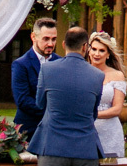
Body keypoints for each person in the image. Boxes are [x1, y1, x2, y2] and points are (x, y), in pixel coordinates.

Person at [27, 26, 105, 166]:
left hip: (52, 145)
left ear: (63, 45)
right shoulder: (98, 75)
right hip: (85, 148)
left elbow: (39, 104)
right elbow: (93, 112)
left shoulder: (47, 69)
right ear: (85, 47)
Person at [12, 17, 60, 138]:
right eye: (46, 39)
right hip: (29, 130)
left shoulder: (61, 62)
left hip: (57, 129)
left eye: (54, 39)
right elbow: (23, 100)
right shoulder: (21, 64)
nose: (50, 44)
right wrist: (53, 111)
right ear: (33, 37)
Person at [86, 32, 127, 158]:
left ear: (108, 54)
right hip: (85, 130)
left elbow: (117, 109)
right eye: (93, 49)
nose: (96, 54)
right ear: (88, 50)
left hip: (110, 131)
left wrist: (93, 115)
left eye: (101, 50)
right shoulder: (82, 72)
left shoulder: (117, 75)